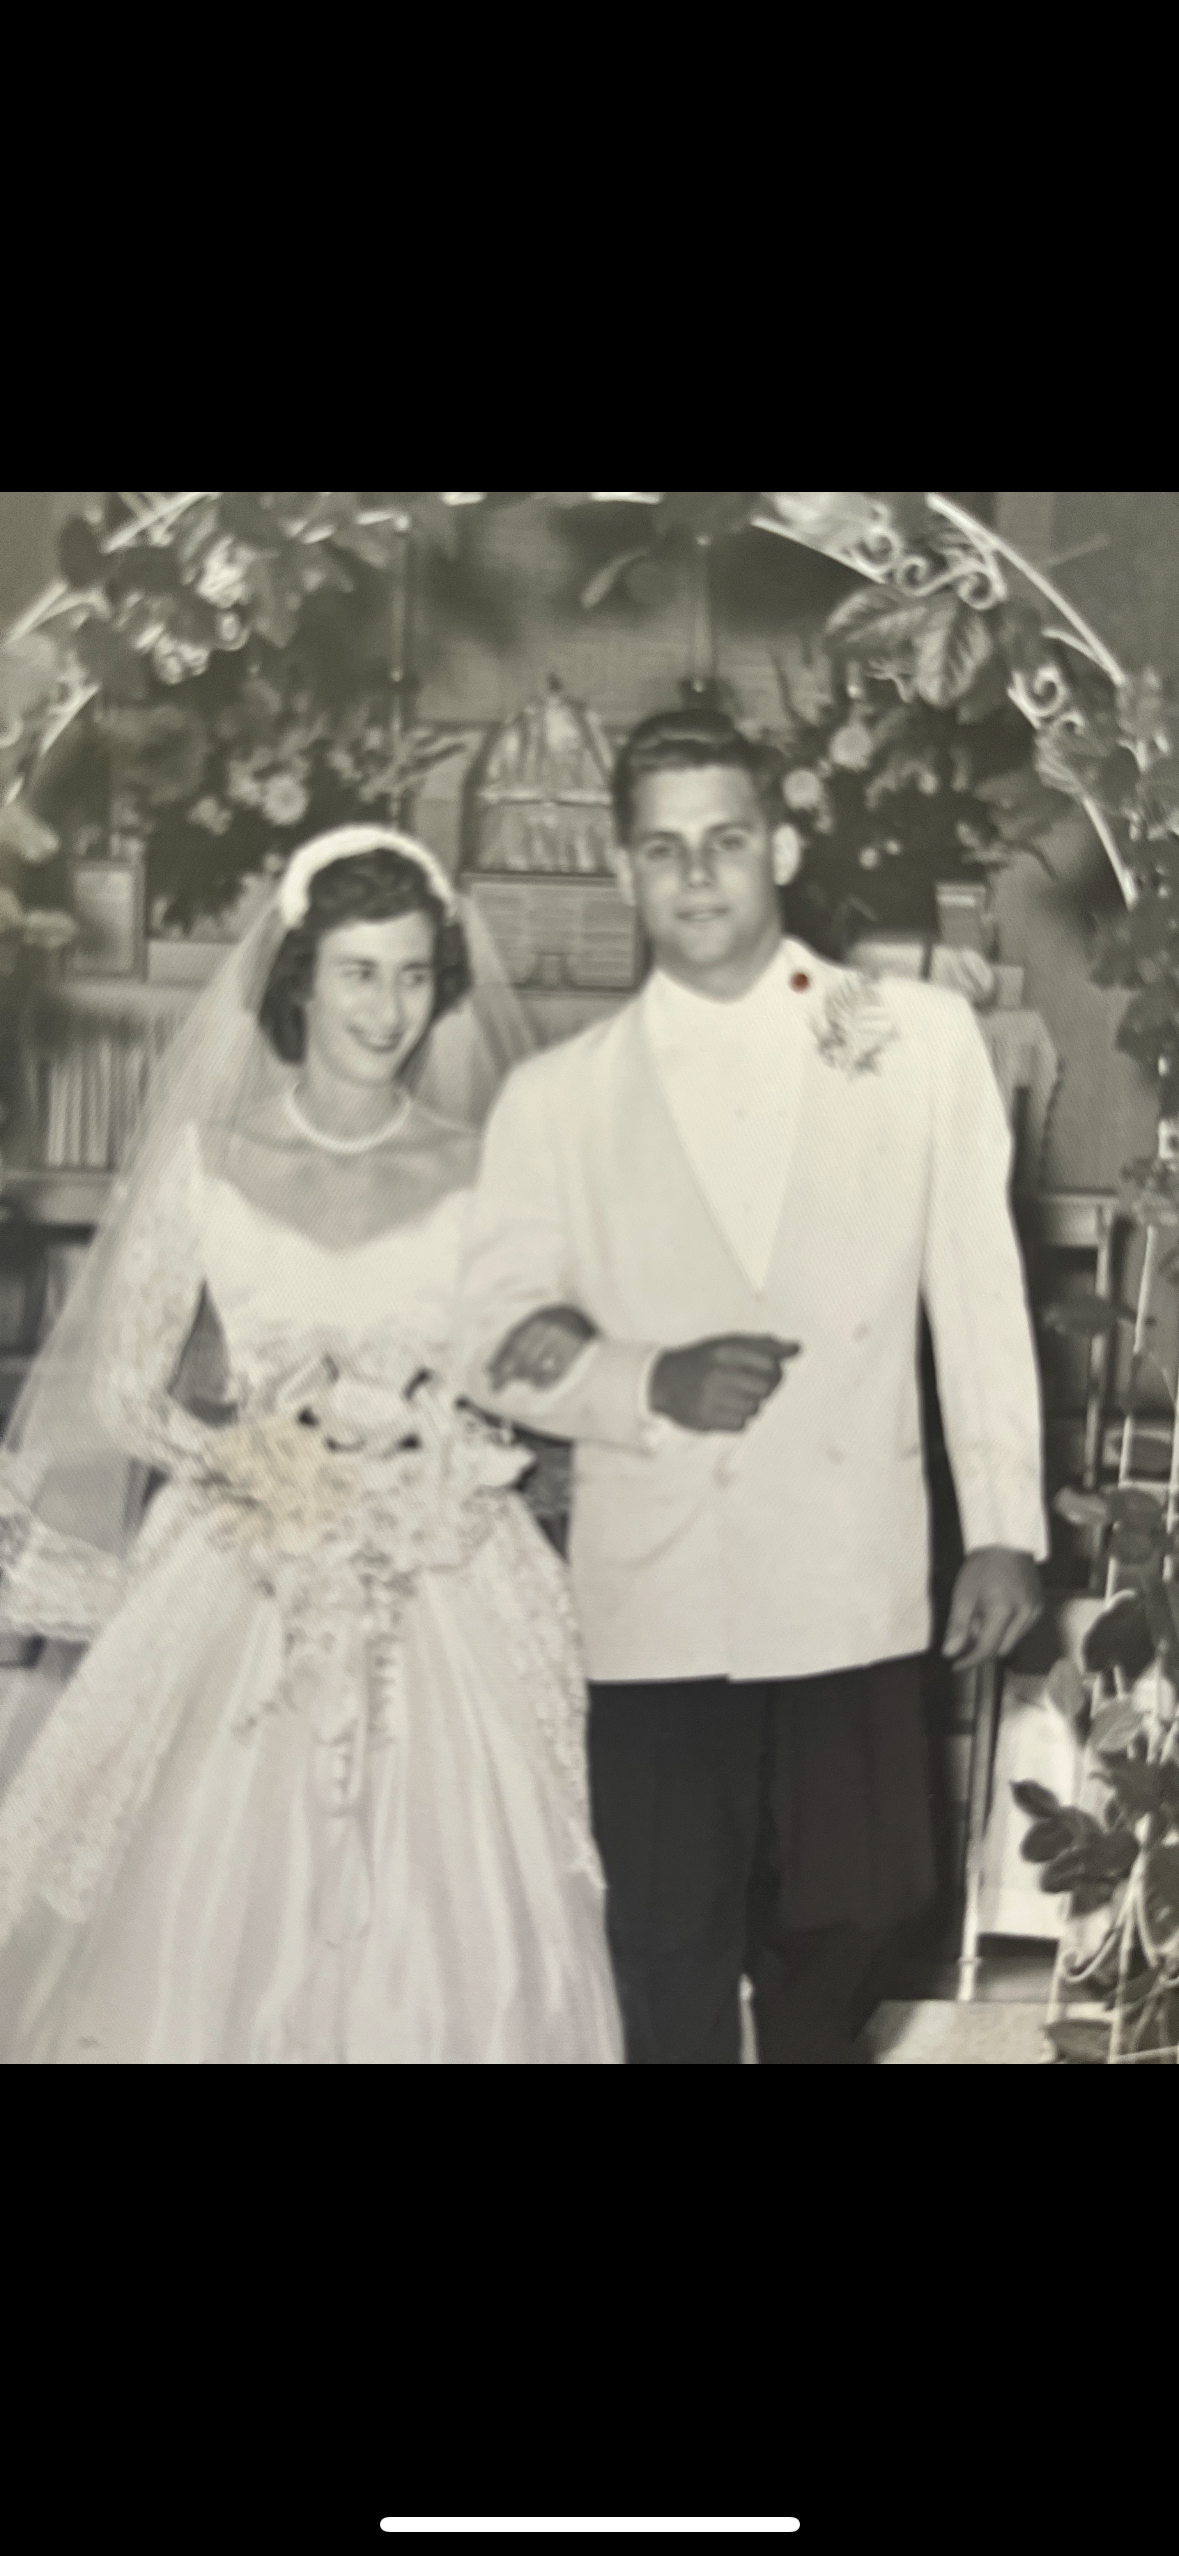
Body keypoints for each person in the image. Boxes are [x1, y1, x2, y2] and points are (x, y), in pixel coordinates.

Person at [456, 707, 1048, 2065]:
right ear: (619, 872)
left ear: (778, 844)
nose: (697, 874)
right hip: (657, 1582)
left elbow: (972, 1288)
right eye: (661, 850)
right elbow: (487, 1330)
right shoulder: (557, 1097)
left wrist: (1004, 1523)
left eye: (724, 839)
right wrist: (639, 1374)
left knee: (854, 1912)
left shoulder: (912, 1037)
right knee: (664, 1936)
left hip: (845, 1570)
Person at [0, 827, 623, 2064]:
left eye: (407, 974)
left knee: (455, 1901)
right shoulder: (209, 1161)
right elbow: (125, 1390)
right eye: (356, 973)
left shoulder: (482, 1166)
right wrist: (245, 1461)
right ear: (299, 979)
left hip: (443, 1562)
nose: (387, 1009)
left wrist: (444, 1426)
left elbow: (526, 1373)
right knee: (209, 1900)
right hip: (248, 1558)